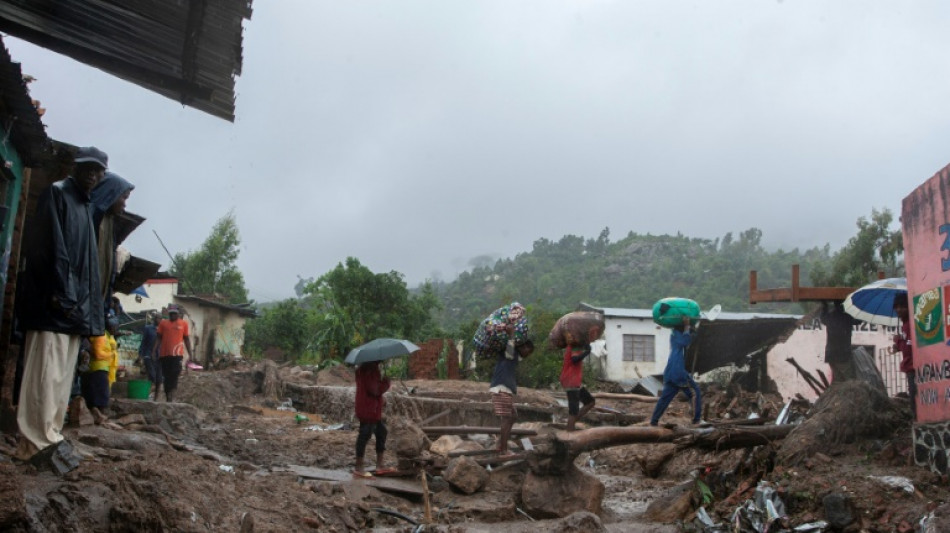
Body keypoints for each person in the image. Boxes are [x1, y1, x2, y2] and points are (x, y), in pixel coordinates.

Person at [15, 146, 108, 460]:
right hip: (52, 308)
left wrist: (85, 313)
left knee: (59, 381)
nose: (92, 175)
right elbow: (50, 250)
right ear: (75, 168)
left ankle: (50, 437)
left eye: (97, 171)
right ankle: (34, 444)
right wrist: (63, 296)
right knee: (44, 378)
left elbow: (88, 270)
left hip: (71, 312)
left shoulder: (84, 206)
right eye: (87, 168)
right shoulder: (57, 195)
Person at [89, 171, 134, 316]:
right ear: (111, 194)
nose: (125, 204)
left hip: (92, 306)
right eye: (123, 197)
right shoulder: (89, 219)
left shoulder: (109, 226)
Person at [488, 323, 535, 456]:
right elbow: (509, 351)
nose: (528, 354)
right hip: (501, 388)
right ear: (523, 347)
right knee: (507, 418)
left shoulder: (515, 356)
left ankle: (501, 444)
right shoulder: (511, 352)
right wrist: (511, 335)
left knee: (513, 416)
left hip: (505, 389)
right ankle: (503, 449)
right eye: (528, 350)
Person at [650, 316, 703, 426]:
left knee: (665, 398)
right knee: (695, 393)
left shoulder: (674, 334)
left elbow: (691, 337)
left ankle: (654, 421)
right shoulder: (677, 335)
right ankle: (696, 420)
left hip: (671, 371)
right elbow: (685, 341)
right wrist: (688, 326)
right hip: (678, 372)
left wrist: (692, 329)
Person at [80, 315, 121, 429]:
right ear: (111, 327)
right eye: (115, 327)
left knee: (101, 394)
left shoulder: (107, 336)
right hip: (98, 368)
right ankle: (99, 418)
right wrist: (111, 354)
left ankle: (99, 417)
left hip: (103, 368)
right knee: (100, 396)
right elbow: (98, 354)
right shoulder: (101, 337)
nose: (116, 329)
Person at [353, 360, 391, 477]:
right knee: (365, 434)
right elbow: (374, 389)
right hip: (369, 409)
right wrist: (386, 382)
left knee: (381, 432)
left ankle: (379, 464)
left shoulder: (365, 368)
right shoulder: (370, 370)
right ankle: (359, 467)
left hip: (370, 409)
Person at [153, 304, 193, 402]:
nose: (172, 316)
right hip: (165, 354)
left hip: (177, 354)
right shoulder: (163, 324)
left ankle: (172, 391)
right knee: (166, 376)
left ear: (178, 314)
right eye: (171, 314)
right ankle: (168, 395)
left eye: (174, 314)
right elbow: (158, 338)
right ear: (169, 314)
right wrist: (154, 350)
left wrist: (190, 354)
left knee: (175, 373)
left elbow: (186, 339)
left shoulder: (183, 324)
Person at [560, 343, 595, 431]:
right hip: (570, 379)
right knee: (573, 411)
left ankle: (571, 424)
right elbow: (575, 359)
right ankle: (569, 434)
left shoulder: (576, 346)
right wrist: (587, 352)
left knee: (590, 402)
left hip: (574, 380)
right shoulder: (575, 346)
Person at [893, 293, 916, 418]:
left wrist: (898, 341)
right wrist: (899, 344)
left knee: (914, 400)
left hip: (913, 366)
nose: (898, 310)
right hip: (910, 367)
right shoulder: (905, 325)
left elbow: (910, 347)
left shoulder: (910, 325)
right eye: (896, 307)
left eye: (902, 306)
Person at [139, 312, 161, 388]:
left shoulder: (162, 330)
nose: (158, 320)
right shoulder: (148, 328)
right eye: (157, 318)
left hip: (158, 355)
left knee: (156, 374)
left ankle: (152, 389)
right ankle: (153, 387)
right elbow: (143, 341)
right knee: (151, 372)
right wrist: (141, 354)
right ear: (154, 319)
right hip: (148, 354)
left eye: (160, 318)